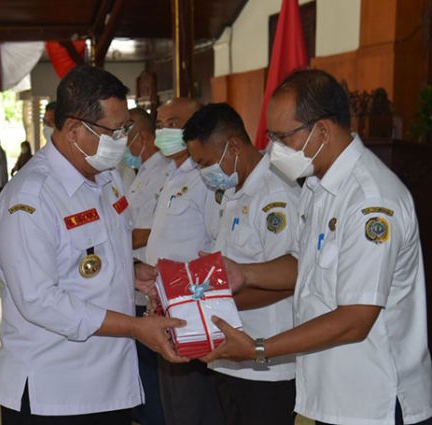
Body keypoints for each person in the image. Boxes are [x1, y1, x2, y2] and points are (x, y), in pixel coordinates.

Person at [203, 69, 432, 425]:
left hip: (375, 402)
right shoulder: (316, 187)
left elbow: (355, 319)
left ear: (322, 131)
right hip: (329, 396)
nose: (272, 149)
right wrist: (245, 273)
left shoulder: (370, 200)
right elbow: (303, 264)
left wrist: (259, 348)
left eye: (282, 137)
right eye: (271, 137)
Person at [0, 65, 187, 425]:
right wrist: (134, 326)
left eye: (125, 128)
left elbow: (88, 253)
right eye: (114, 131)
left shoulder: (106, 177)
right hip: (55, 393)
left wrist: (130, 272)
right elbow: (39, 300)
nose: (123, 139)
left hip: (107, 384)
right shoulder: (30, 199)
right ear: (74, 130)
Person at [184, 103, 299, 425]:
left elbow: (291, 276)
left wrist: (206, 308)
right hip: (232, 354)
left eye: (205, 163)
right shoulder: (236, 193)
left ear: (233, 145)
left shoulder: (276, 195)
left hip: (266, 362)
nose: (204, 173)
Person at [146, 97, 225, 425]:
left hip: (191, 307)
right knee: (173, 406)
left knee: (193, 405)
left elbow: (214, 244)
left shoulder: (205, 178)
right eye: (161, 124)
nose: (164, 131)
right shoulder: (172, 173)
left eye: (173, 123)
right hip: (163, 303)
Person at [125, 107, 172, 425]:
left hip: (153, 283)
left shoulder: (165, 172)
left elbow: (151, 230)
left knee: (154, 377)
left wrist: (111, 244)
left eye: (122, 136)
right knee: (140, 373)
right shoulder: (140, 172)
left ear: (140, 137)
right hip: (137, 284)